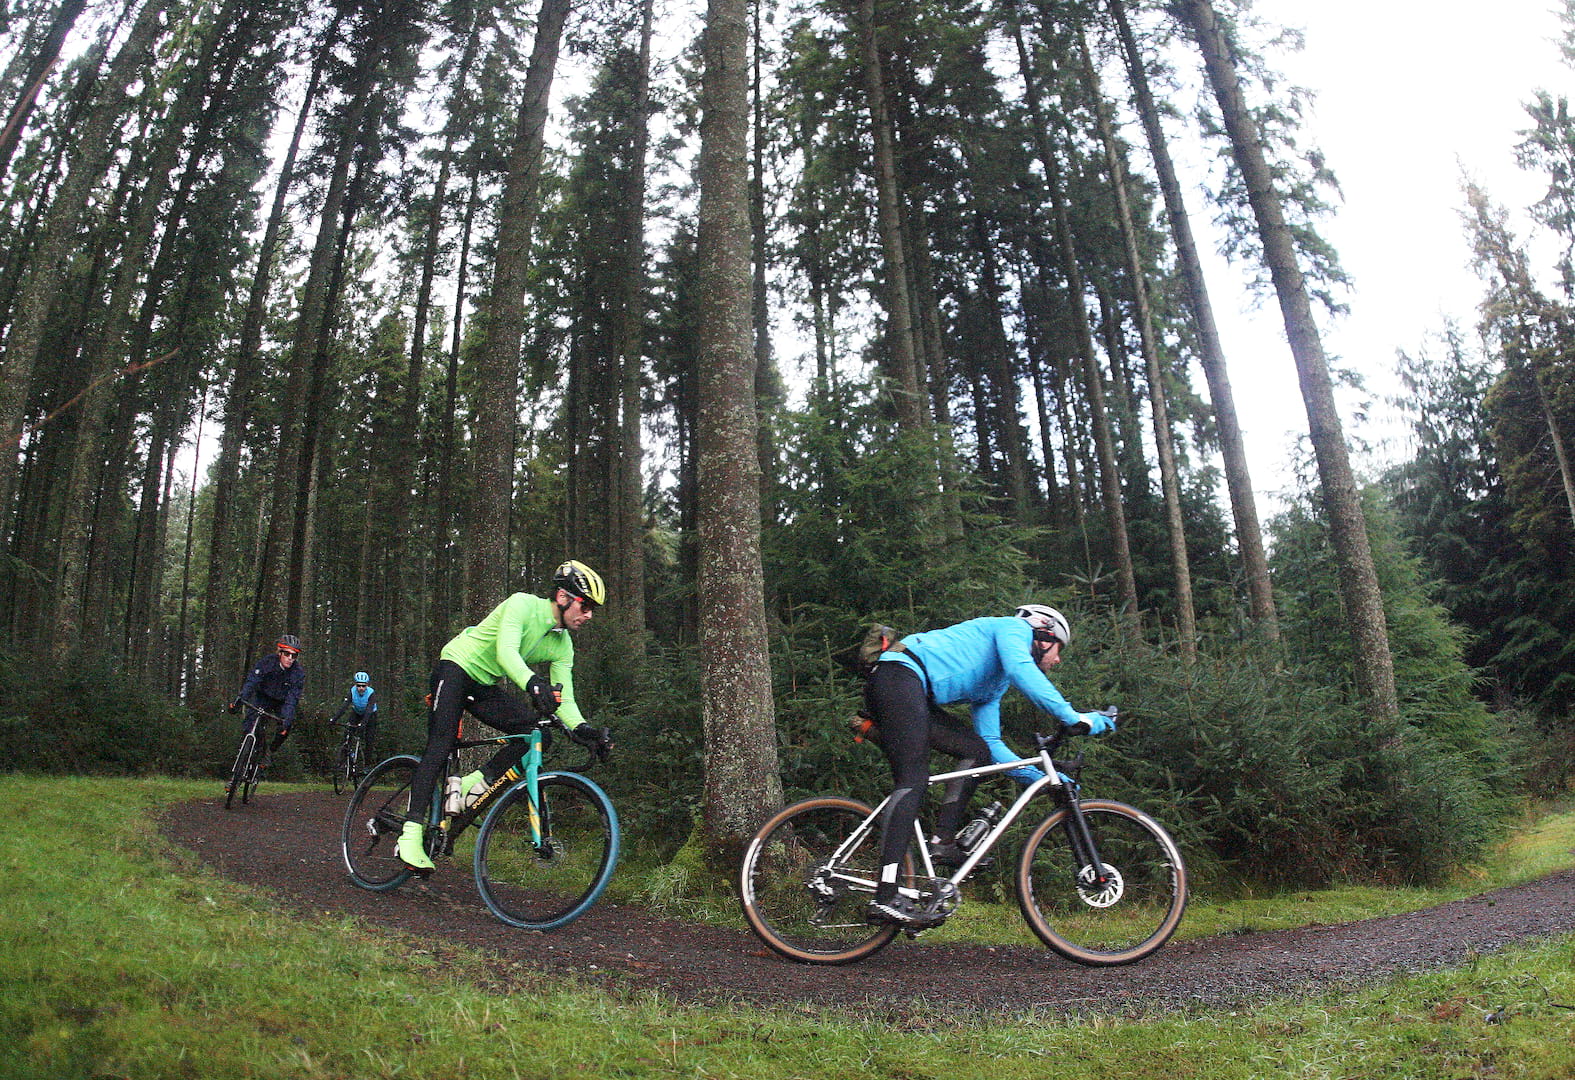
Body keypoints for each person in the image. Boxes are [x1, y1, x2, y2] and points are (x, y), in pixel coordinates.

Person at [861, 604, 1115, 929]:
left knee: (977, 751)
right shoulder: (1012, 629)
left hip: (910, 688)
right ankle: (885, 896)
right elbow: (1022, 669)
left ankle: (942, 843)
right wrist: (1074, 717)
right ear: (1043, 632)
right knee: (913, 779)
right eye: (1058, 649)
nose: (1058, 659)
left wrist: (1042, 778)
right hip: (898, 676)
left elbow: (992, 745)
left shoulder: (994, 684)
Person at [396, 560, 616, 874]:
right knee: (440, 744)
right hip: (456, 666)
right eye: (586, 606)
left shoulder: (562, 644)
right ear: (563, 597)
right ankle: (409, 835)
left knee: (537, 734)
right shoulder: (522, 605)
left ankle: (473, 783)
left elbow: (564, 698)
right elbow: (507, 653)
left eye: (593, 609)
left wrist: (585, 731)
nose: (589, 615)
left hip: (483, 684)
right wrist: (533, 684)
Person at [229, 633, 307, 763]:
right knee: (250, 722)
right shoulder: (267, 662)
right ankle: (243, 754)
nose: (290, 658)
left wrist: (285, 720)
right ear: (280, 653)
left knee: (286, 727)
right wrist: (239, 700)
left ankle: (269, 752)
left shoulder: (298, 673)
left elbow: (292, 700)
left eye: (294, 656)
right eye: (287, 654)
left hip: (282, 702)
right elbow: (252, 681)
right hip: (263, 696)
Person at [329, 670, 379, 766]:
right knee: (347, 734)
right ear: (355, 685)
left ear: (367, 685)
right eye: (358, 685)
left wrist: (363, 724)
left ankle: (367, 765)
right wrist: (334, 719)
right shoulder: (352, 691)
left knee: (369, 739)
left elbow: (369, 710)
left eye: (363, 686)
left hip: (370, 715)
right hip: (356, 713)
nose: (361, 688)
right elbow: (344, 706)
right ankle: (343, 760)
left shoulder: (371, 693)